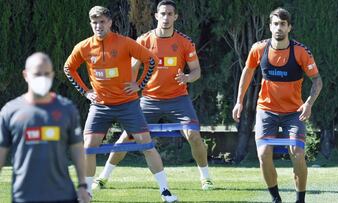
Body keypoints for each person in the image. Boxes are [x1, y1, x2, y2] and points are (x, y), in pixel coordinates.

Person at [93, 0, 213, 191]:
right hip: (149, 100)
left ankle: (206, 178)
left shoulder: (185, 42)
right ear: (156, 16)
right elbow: (133, 68)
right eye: (162, 14)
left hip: (178, 99)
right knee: (127, 137)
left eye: (170, 14)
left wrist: (187, 77)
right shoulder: (143, 40)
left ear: (176, 17)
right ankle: (102, 177)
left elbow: (197, 71)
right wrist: (132, 89)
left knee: (194, 135)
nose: (166, 18)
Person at [63, 5, 177, 202]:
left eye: (102, 22)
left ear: (110, 23)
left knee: (146, 144)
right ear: (91, 24)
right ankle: (86, 193)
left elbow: (150, 60)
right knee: (88, 147)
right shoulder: (83, 46)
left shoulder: (125, 43)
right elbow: (68, 68)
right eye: (94, 22)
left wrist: (139, 84)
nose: (98, 26)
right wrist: (85, 91)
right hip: (100, 106)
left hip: (128, 104)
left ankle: (165, 191)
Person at [232, 8, 322, 203]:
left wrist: (308, 103)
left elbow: (317, 80)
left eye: (283, 24)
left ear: (289, 27)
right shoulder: (259, 49)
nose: (278, 28)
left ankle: (300, 200)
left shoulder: (300, 51)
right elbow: (247, 72)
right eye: (275, 24)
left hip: (293, 112)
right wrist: (239, 101)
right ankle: (275, 198)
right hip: (266, 110)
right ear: (270, 26)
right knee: (263, 153)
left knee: (297, 153)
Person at [0, 52, 90, 203]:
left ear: (52, 75)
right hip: (24, 195)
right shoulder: (10, 111)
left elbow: (77, 148)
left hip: (63, 195)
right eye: (37, 74)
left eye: (46, 73)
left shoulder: (66, 109)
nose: (42, 78)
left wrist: (82, 185)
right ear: (26, 75)